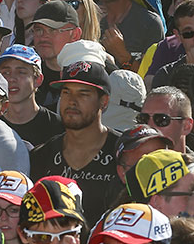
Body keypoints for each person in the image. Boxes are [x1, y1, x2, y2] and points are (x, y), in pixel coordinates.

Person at [29, 59, 124, 212]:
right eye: (66, 92)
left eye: (83, 94)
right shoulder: (41, 156)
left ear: (104, 102)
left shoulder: (122, 153)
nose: (72, 101)